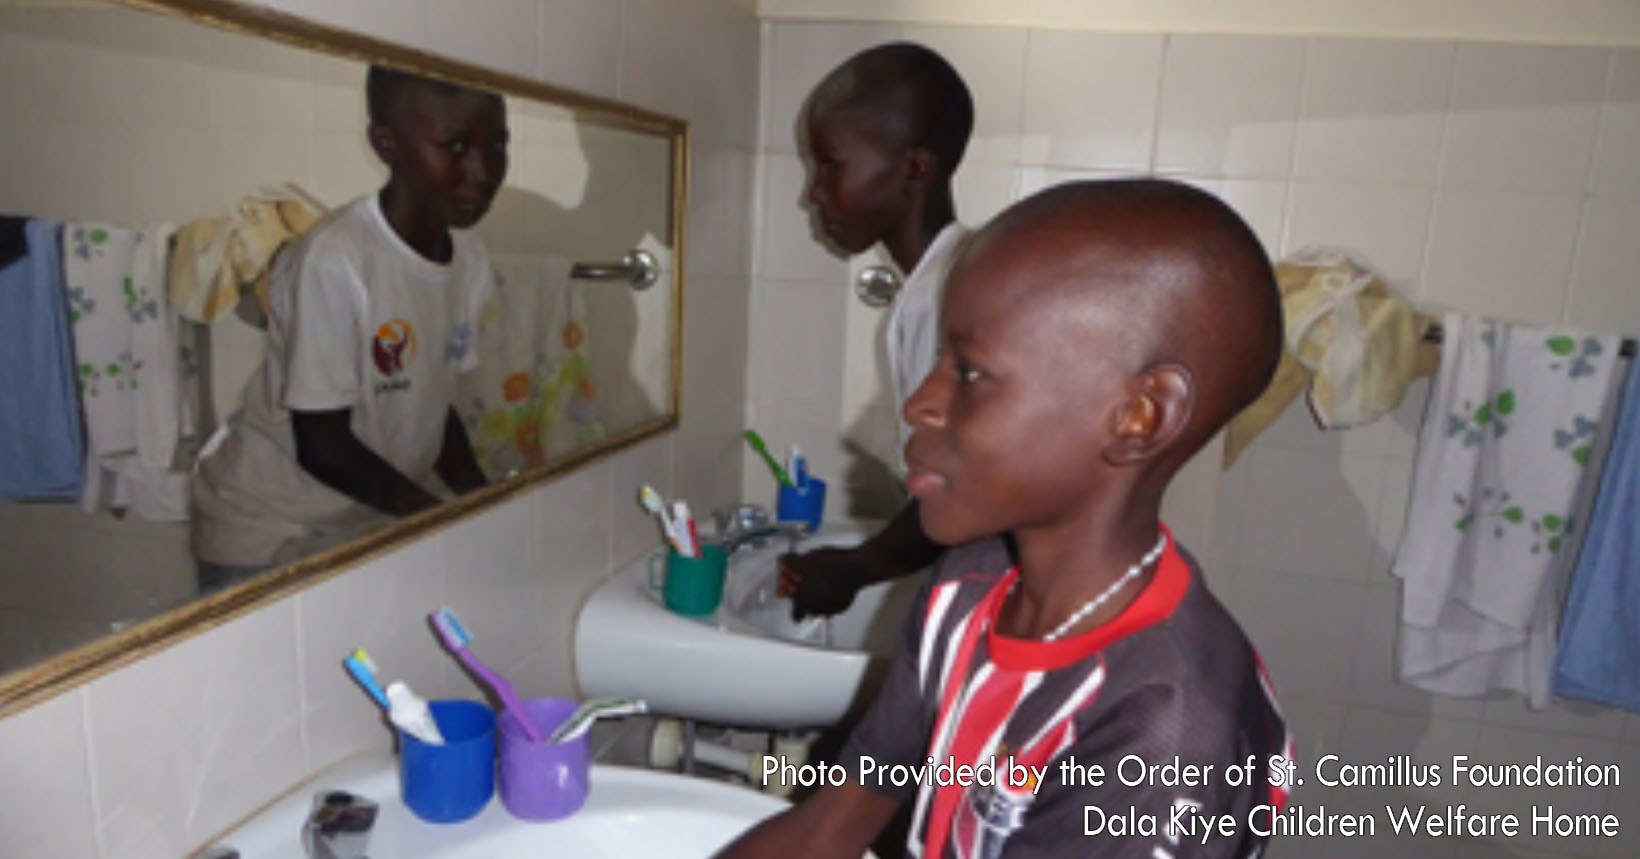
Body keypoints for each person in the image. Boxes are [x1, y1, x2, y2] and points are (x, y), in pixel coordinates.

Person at [716, 178, 1293, 859]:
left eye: (969, 372)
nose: (919, 405)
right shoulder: (973, 582)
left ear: (1140, 416)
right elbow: (829, 828)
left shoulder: (1165, 728)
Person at [190, 65, 507, 590]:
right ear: (388, 144)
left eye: (497, 145)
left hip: (360, 515)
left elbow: (434, 398)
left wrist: (484, 504)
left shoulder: (470, 261)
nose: (483, 171)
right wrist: (440, 520)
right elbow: (323, 445)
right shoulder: (335, 258)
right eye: (455, 147)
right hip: (266, 529)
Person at [777, 41, 973, 620]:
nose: (812, 191)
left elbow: (957, 484)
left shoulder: (942, 297)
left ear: (915, 167)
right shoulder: (948, 276)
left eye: (830, 165)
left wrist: (857, 568)